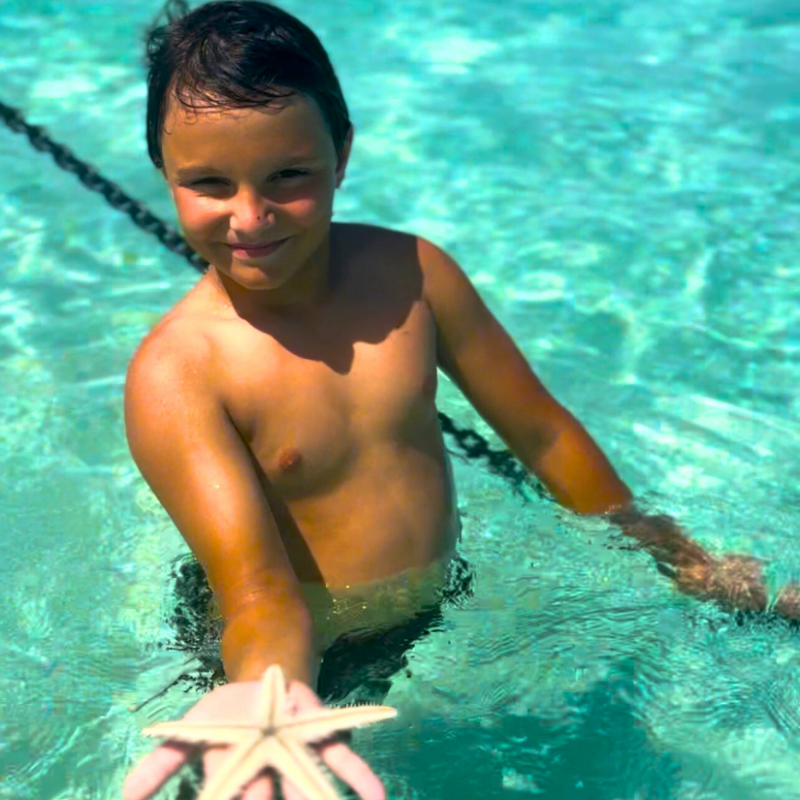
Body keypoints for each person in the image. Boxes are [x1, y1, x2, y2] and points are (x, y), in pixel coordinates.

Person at [122, 1, 800, 798]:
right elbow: (260, 595)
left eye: (289, 176)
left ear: (342, 153)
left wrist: (683, 561)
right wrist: (268, 700)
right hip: (273, 654)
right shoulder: (179, 376)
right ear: (163, 174)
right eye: (208, 184)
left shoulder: (413, 275)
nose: (251, 215)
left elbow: (544, 436)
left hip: (430, 611)